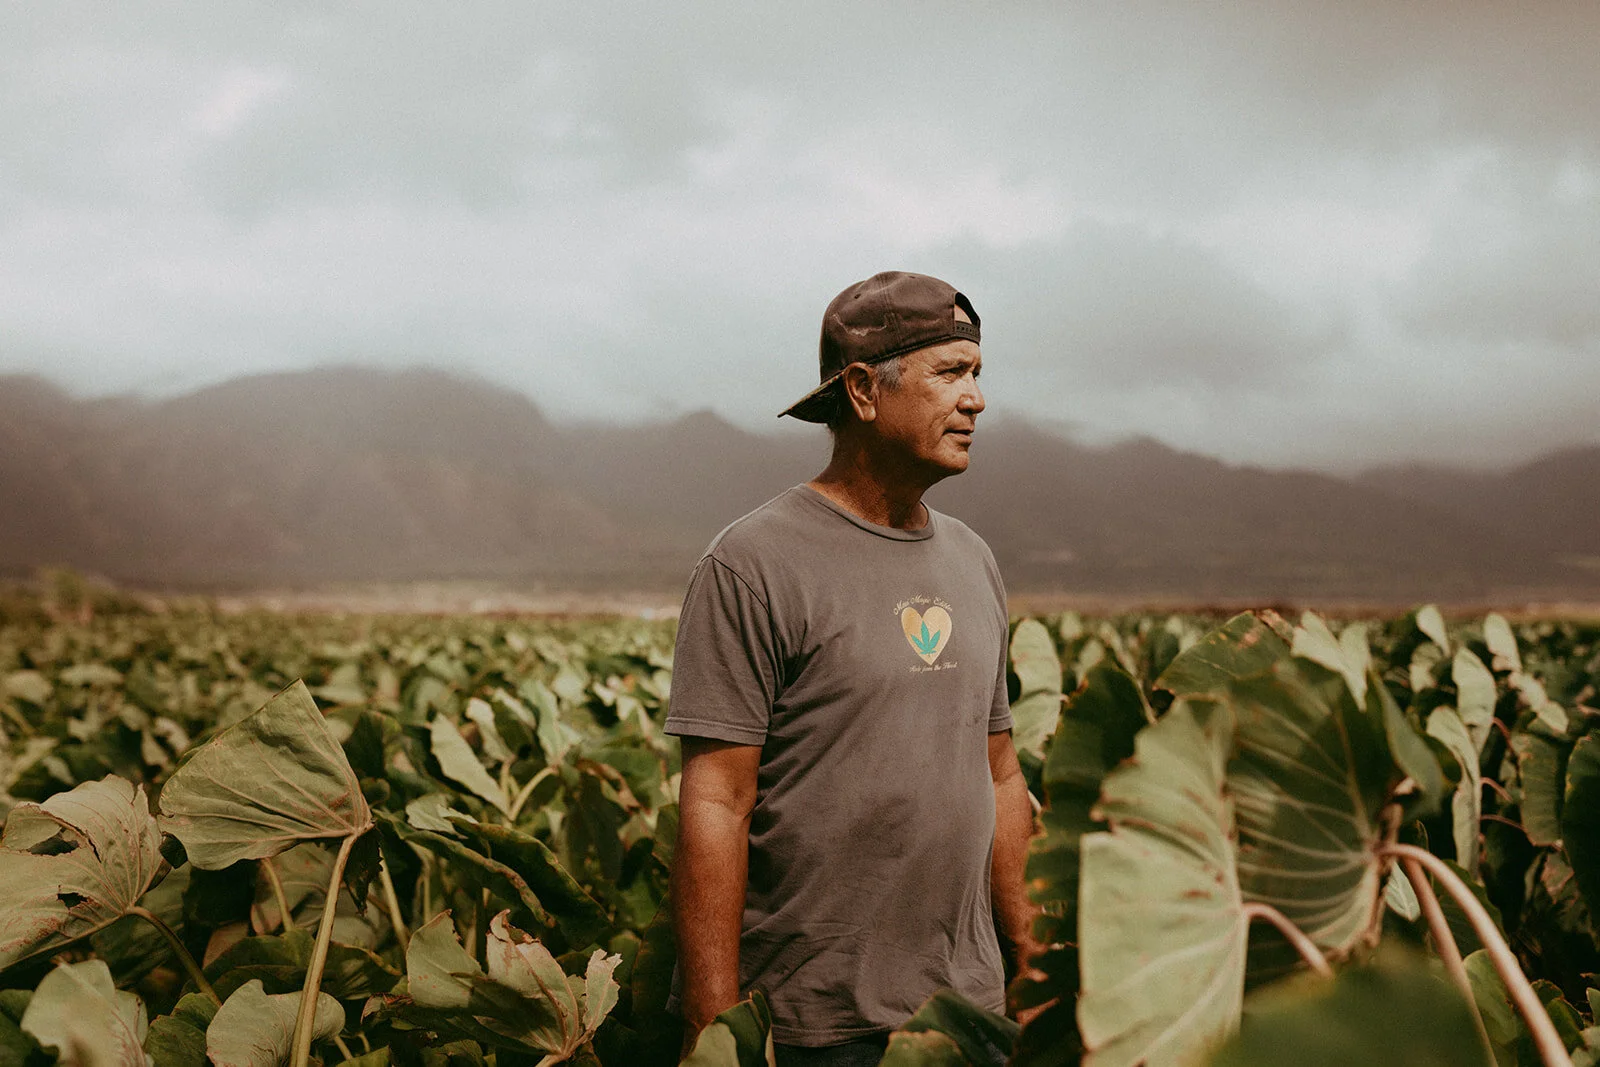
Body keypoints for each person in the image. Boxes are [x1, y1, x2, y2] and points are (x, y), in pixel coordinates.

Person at [666, 271, 1039, 1065]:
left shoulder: (974, 560)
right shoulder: (754, 562)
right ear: (865, 391)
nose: (975, 399)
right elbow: (716, 800)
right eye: (950, 373)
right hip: (814, 1026)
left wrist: (1034, 969)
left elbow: (1001, 774)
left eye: (977, 374)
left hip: (967, 1016)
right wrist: (714, 1029)